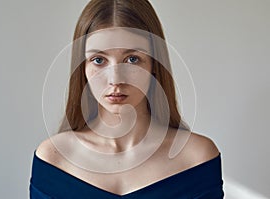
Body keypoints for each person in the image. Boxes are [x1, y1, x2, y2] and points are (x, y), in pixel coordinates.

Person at [29, 0, 224, 198]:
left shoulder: (197, 158)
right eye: (99, 60)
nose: (115, 80)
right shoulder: (53, 159)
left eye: (132, 59)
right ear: (83, 68)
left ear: (154, 65)